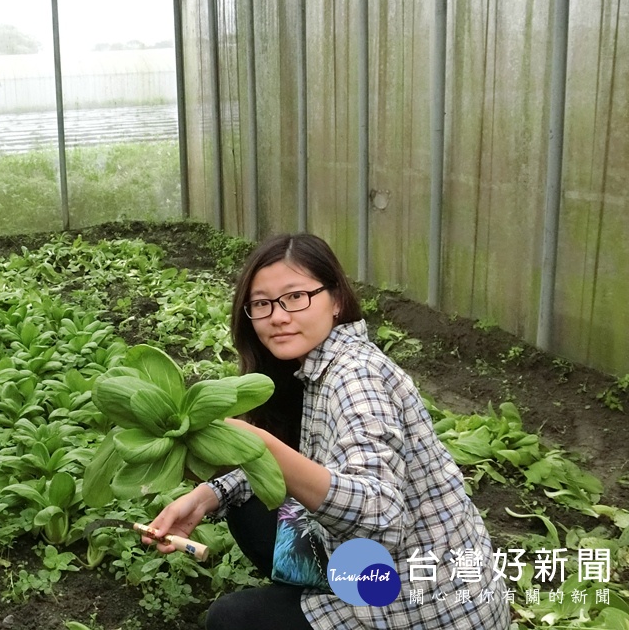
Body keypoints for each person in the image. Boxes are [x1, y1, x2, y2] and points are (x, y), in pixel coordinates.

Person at [145, 233, 511, 629]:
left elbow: (381, 517)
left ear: (335, 300)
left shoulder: (355, 377)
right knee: (250, 506)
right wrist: (205, 496)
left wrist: (259, 444)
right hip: (387, 574)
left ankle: (319, 608)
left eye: (295, 297)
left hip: (422, 607)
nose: (278, 316)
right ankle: (310, 597)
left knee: (234, 619)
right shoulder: (309, 367)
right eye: (262, 303)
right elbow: (288, 462)